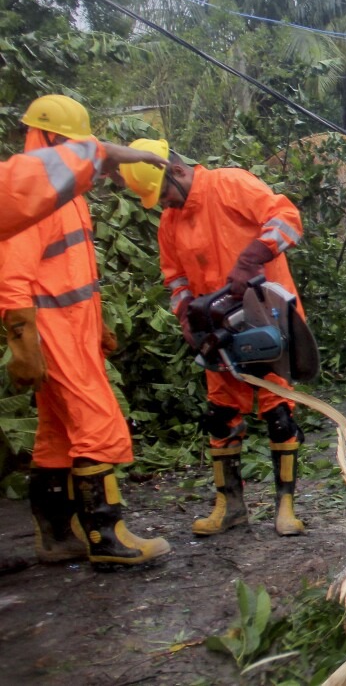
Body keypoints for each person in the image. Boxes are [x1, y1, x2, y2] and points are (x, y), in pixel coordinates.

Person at [1, 95, 171, 568]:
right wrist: (23, 343)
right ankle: (107, 536)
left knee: (57, 433)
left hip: (71, 329)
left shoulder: (63, 197)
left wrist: (96, 329)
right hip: (51, 331)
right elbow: (13, 278)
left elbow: (69, 272)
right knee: (97, 424)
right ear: (53, 140)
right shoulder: (30, 198)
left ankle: (58, 536)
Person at [121, 139, 307, 537]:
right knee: (220, 415)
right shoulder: (170, 222)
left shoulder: (229, 184)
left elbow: (287, 216)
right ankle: (230, 505)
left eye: (165, 194)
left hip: (265, 317)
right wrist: (186, 314)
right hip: (218, 330)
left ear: (177, 171)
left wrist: (251, 257)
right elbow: (175, 278)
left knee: (277, 411)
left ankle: (286, 506)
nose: (165, 203)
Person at [1, 96, 167, 241]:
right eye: (72, 143)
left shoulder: (64, 197)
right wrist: (100, 153)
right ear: (56, 139)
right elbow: (16, 276)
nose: (76, 150)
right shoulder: (33, 204)